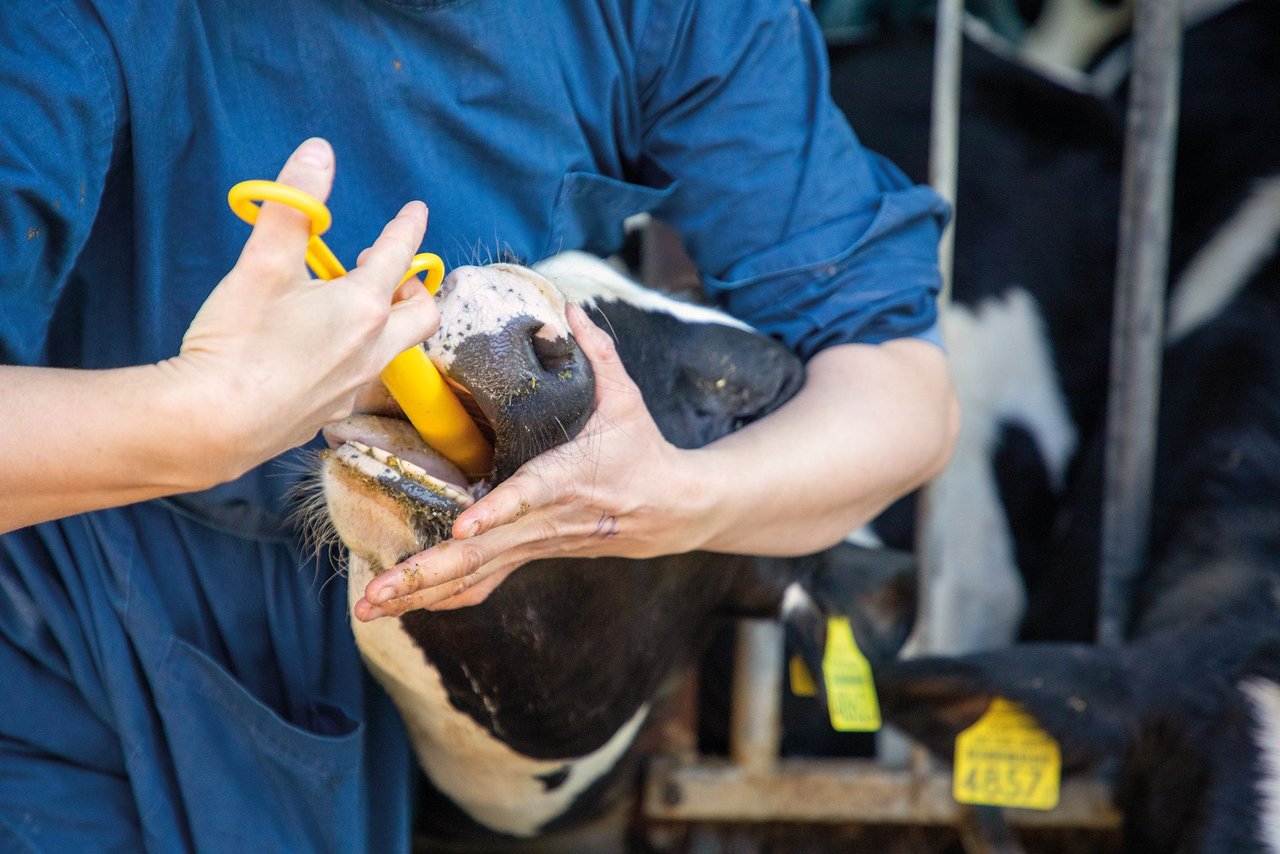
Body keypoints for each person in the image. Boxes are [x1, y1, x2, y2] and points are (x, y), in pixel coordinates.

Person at [0, 0, 959, 849]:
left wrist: (678, 499)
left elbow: (906, 389)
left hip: (442, 612)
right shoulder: (61, 25)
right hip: (69, 587)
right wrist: (198, 419)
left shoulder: (669, 14)